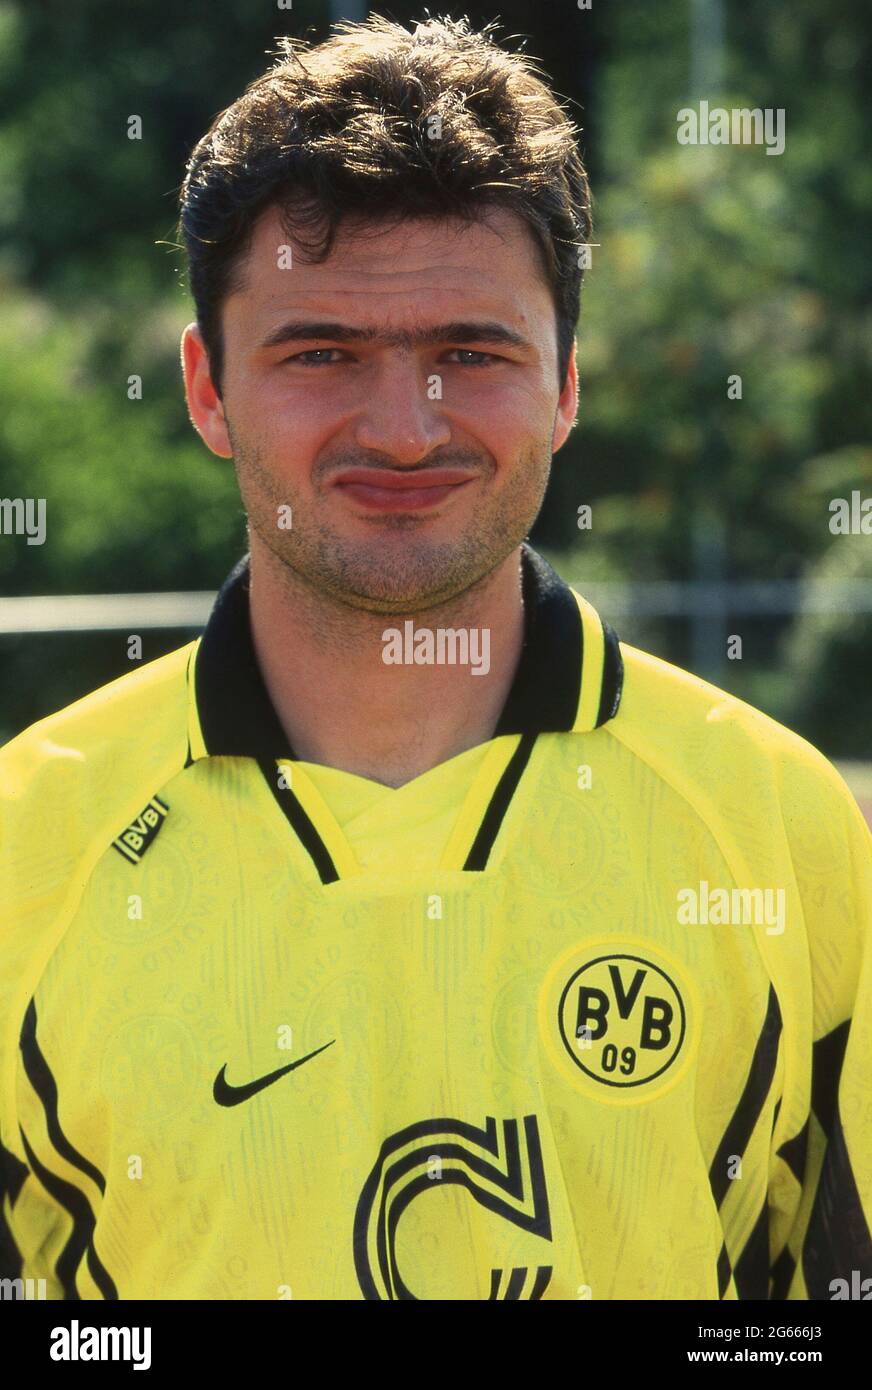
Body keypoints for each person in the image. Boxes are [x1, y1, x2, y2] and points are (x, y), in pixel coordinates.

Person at [1, 14, 869, 1302]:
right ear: (205, 387)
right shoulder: (28, 842)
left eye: (471, 350)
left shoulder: (780, 826)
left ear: (567, 386)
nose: (405, 430)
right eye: (321, 353)